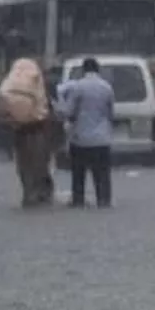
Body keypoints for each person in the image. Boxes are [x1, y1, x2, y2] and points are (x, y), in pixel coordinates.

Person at [0, 58, 55, 208]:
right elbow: (47, 108)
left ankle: (28, 193)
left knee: (24, 165)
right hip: (38, 130)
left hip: (20, 132)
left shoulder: (10, 83)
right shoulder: (40, 85)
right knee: (40, 163)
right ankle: (41, 192)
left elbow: (0, 108)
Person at [61, 57, 116, 208]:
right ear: (98, 69)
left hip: (80, 139)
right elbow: (111, 114)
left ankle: (78, 199)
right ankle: (104, 199)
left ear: (83, 70)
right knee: (102, 173)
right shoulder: (107, 88)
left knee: (78, 173)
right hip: (102, 138)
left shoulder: (77, 88)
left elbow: (69, 112)